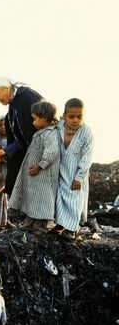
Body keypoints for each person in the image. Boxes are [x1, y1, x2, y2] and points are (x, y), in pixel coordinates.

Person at [9, 101, 60, 234]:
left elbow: (52, 152)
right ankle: (30, 221)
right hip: (35, 176)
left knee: (43, 199)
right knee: (33, 198)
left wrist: (40, 166)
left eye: (35, 119)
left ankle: (41, 225)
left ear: (44, 117)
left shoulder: (51, 134)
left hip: (44, 176)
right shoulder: (40, 133)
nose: (33, 123)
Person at [0, 77, 43, 197]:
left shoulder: (28, 96)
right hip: (30, 155)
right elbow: (21, 140)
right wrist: (3, 151)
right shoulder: (12, 107)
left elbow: (44, 127)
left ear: (7, 88)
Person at [54, 98, 94, 241]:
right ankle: (60, 224)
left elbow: (87, 157)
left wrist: (79, 177)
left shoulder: (86, 132)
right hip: (61, 169)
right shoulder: (58, 127)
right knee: (60, 197)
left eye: (79, 116)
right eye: (72, 116)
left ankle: (71, 229)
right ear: (64, 116)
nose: (75, 120)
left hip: (77, 172)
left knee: (74, 200)